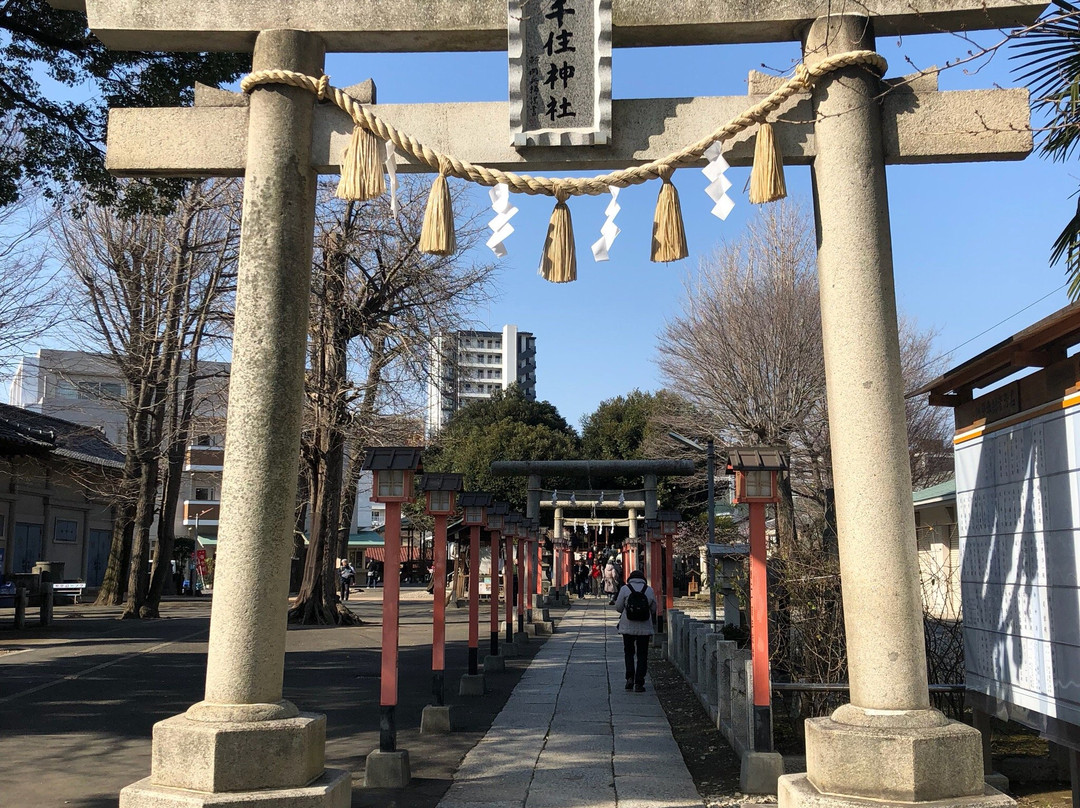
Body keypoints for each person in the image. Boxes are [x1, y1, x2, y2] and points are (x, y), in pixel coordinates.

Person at [614, 569, 657, 692]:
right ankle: (639, 682)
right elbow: (654, 608)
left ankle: (629, 677)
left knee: (629, 652)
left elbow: (618, 607)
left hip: (627, 626)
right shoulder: (649, 589)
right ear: (643, 578)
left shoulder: (625, 589)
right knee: (642, 654)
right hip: (644, 626)